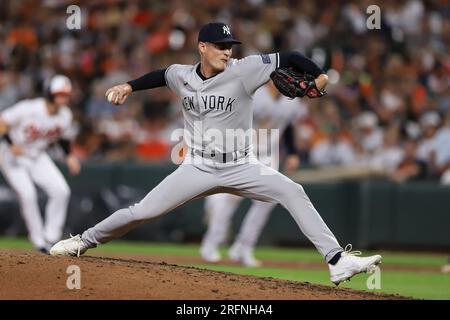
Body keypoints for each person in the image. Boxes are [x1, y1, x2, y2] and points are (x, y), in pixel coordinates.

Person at [50, 22, 381, 285]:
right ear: (203, 47)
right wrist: (128, 86)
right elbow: (160, 76)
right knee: (142, 212)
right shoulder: (181, 74)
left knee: (293, 191)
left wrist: (319, 75)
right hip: (198, 167)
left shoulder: (245, 69)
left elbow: (291, 56)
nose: (227, 51)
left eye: (230, 46)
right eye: (221, 46)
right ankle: (82, 241)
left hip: (242, 166)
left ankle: (337, 261)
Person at [200, 81, 306, 267]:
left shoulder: (292, 102)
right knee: (231, 198)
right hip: (242, 152)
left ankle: (243, 247)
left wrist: (293, 153)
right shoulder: (255, 95)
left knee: (268, 200)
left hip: (268, 157)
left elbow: (288, 126)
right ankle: (211, 244)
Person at [0, 75, 81, 253]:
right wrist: (10, 143)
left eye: (66, 94)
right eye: (60, 94)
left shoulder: (65, 115)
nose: (64, 98)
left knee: (61, 191)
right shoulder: (30, 108)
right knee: (28, 195)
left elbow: (62, 138)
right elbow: (2, 122)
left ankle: (51, 237)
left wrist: (69, 156)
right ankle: (39, 241)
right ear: (50, 94)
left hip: (37, 155)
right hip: (12, 155)